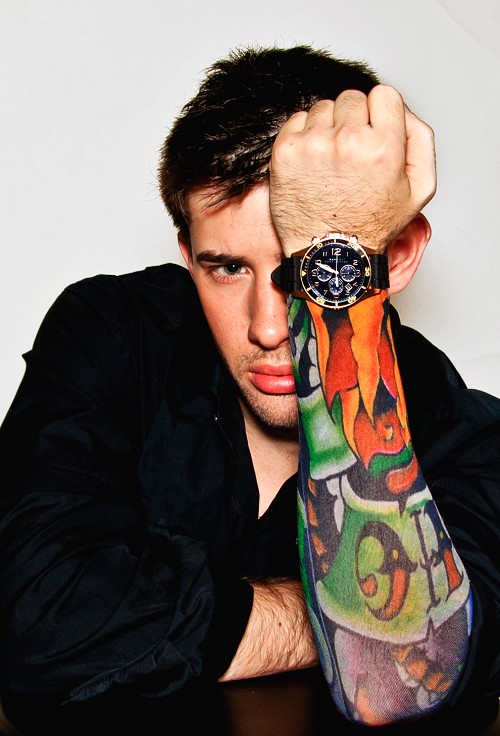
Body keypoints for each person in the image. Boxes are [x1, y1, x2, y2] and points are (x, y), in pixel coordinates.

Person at [0, 44, 498, 735]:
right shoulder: (113, 337)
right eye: (227, 268)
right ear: (187, 256)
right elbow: (29, 624)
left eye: (305, 272)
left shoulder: (458, 432)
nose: (267, 327)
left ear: (400, 255)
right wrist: (325, 619)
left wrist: (340, 291)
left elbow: (397, 678)